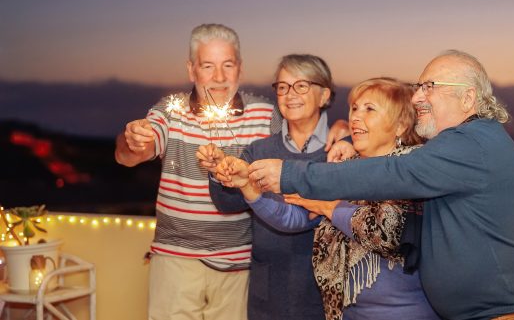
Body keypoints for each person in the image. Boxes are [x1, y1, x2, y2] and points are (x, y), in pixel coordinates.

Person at [247, 51, 514, 320]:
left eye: (430, 87)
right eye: (417, 87)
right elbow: (392, 145)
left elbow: (394, 171)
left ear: (468, 97)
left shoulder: (470, 145)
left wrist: (290, 174)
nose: (416, 97)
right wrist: (349, 139)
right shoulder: (465, 143)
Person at [114, 24, 348, 320]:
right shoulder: (169, 112)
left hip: (239, 265)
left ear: (239, 68)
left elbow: (304, 122)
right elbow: (130, 155)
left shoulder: (266, 113)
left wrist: (343, 128)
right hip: (176, 261)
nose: (219, 77)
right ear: (192, 70)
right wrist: (133, 139)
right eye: (208, 66)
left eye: (227, 65)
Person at [217, 78, 439, 320]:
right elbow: (294, 216)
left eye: (369, 109)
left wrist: (328, 206)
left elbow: (388, 233)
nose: (355, 117)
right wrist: (248, 186)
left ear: (400, 125)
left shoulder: (413, 169)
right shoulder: (340, 170)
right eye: (354, 108)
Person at [201, 54, 334, 320]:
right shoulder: (259, 150)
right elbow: (228, 203)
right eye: (282, 87)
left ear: (324, 96)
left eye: (302, 85)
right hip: (268, 291)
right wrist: (220, 171)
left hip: (322, 294)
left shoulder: (339, 152)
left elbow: (301, 217)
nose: (290, 94)